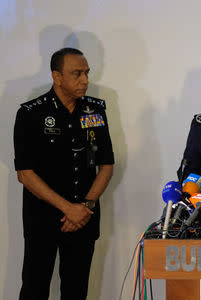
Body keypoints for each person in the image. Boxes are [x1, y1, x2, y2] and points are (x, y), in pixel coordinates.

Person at [13, 47, 114, 300]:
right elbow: (25, 173)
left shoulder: (95, 110)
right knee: (35, 287)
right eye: (77, 73)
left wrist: (85, 206)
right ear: (56, 77)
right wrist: (68, 208)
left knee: (76, 290)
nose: (85, 80)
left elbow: (106, 165)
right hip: (43, 218)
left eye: (86, 73)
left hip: (84, 216)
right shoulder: (31, 113)